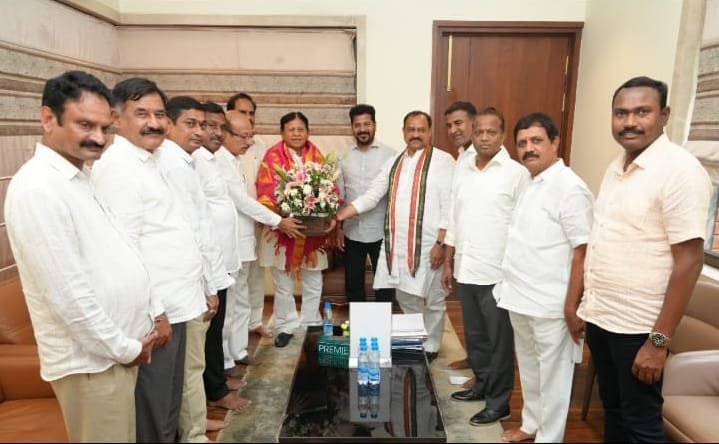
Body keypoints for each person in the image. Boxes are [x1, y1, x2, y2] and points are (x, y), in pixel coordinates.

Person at [4, 70, 157, 443]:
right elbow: (68, 296)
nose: (99, 138)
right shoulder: (38, 188)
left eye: (105, 128)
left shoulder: (79, 177)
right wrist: (126, 348)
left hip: (114, 355)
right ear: (48, 118)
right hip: (93, 363)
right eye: (85, 125)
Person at [576, 76, 712, 442]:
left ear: (664, 115)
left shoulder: (680, 171)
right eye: (621, 113)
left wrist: (658, 342)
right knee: (614, 410)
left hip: (639, 327)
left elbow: (689, 262)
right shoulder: (616, 167)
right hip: (603, 317)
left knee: (641, 424)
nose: (629, 122)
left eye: (642, 112)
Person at [91, 78, 210, 442]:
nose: (154, 123)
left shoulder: (153, 160)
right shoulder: (117, 168)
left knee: (169, 404)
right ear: (116, 118)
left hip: (178, 303)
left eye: (159, 114)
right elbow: (124, 251)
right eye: (142, 114)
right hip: (155, 314)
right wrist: (156, 313)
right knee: (154, 411)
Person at [155, 96, 248, 440]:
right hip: (190, 281)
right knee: (192, 361)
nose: (204, 132)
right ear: (169, 125)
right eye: (193, 124)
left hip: (207, 270)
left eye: (209, 125)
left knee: (195, 358)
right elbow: (193, 228)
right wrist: (209, 283)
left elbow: (203, 222)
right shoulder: (175, 165)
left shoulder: (191, 161)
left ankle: (197, 417)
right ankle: (195, 425)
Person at [496, 112, 593, 441]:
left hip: (552, 304)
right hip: (520, 297)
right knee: (530, 368)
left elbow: (583, 251)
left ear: (555, 143)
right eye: (522, 142)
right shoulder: (530, 181)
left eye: (536, 141)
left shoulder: (570, 188)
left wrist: (571, 306)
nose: (528, 148)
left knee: (554, 378)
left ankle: (549, 437)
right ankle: (530, 425)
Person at [335, 111, 455, 362]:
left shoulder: (443, 161)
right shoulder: (394, 163)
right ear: (403, 132)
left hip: (430, 243)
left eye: (421, 130)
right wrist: (341, 215)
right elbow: (372, 195)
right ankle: (415, 338)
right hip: (398, 244)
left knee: (434, 298)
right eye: (411, 129)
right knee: (405, 296)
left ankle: (432, 344)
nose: (415, 134)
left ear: (430, 132)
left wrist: (441, 242)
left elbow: (449, 206)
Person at [440, 107, 529, 426]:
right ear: (473, 134)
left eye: (492, 132)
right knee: (476, 338)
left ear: (503, 135)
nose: (484, 138)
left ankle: (499, 402)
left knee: (499, 342)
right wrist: (448, 262)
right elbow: (454, 219)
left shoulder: (517, 174)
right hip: (466, 269)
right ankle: (481, 384)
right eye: (479, 132)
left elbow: (525, 227)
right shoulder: (463, 169)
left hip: (498, 275)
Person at [256, 111, 334, 348]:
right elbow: (264, 191)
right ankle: (286, 325)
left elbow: (330, 188)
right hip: (282, 231)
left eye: (301, 129)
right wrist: (282, 219)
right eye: (291, 129)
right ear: (282, 132)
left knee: (314, 278)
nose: (297, 134)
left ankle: (311, 321)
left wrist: (329, 214)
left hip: (313, 232)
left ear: (308, 132)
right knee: (283, 281)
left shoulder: (318, 156)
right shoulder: (272, 157)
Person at [336, 104, 396, 303]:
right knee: (353, 284)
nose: (362, 129)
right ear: (352, 127)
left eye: (366, 124)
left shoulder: (391, 155)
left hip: (381, 232)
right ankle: (358, 319)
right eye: (357, 125)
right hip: (352, 230)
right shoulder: (342, 156)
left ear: (375, 125)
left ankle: (383, 320)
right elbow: (340, 194)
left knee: (384, 286)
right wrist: (339, 227)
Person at [227, 92, 273, 338]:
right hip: (236, 222)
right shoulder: (223, 150)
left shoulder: (262, 145)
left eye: (251, 113)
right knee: (238, 281)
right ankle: (235, 336)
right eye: (242, 112)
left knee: (256, 274)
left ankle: (255, 321)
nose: (249, 117)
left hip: (260, 221)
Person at [443, 100, 477, 373]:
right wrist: (448, 259)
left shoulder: (483, 159)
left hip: (485, 258)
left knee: (489, 324)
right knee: (471, 315)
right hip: (464, 253)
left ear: (474, 123)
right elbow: (455, 212)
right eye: (449, 125)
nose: (453, 130)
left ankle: (486, 376)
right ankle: (474, 360)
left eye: (459, 123)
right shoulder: (462, 157)